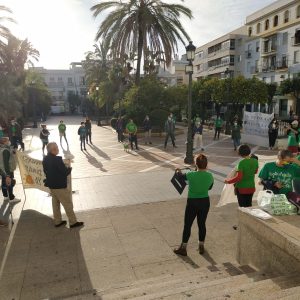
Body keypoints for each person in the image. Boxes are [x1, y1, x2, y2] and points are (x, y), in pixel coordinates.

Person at [173, 154, 214, 256]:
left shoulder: (191, 175)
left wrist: (178, 170)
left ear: (196, 164)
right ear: (206, 164)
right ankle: (201, 245)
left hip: (192, 202)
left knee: (188, 225)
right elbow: (209, 188)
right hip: (205, 202)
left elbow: (180, 177)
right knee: (202, 224)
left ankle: (183, 248)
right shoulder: (210, 176)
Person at [42, 142, 83, 228]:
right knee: (67, 203)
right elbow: (65, 172)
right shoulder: (57, 160)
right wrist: (69, 167)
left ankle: (57, 221)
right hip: (60, 186)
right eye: (57, 148)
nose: (58, 149)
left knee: (55, 204)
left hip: (51, 185)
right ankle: (73, 222)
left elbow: (45, 171)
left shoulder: (45, 159)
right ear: (53, 150)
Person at [0, 137, 21, 204]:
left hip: (2, 170)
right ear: (4, 142)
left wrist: (12, 152)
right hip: (7, 171)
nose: (9, 141)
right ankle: (11, 198)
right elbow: (6, 163)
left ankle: (5, 196)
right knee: (10, 183)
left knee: (3, 183)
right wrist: (8, 175)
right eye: (8, 140)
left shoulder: (2, 148)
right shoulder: (5, 150)